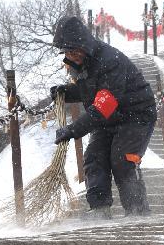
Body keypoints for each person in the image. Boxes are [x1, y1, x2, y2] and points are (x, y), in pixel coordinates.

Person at [50, 16, 156, 217]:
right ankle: (99, 208)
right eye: (67, 53)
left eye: (75, 50)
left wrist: (72, 130)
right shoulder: (78, 64)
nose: (72, 56)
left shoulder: (109, 61)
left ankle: (137, 211)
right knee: (94, 157)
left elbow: (102, 107)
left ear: (85, 44)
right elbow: (89, 91)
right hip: (109, 118)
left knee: (121, 158)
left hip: (136, 114)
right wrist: (66, 92)